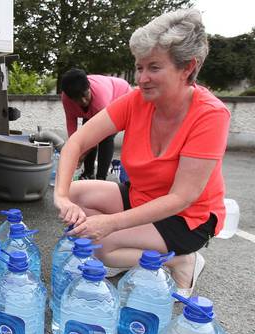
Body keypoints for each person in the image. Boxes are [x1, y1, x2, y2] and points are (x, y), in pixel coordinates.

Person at [53, 8, 230, 297]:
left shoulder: (210, 115)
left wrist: (109, 224)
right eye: (139, 67)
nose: (143, 78)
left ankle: (181, 260)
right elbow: (76, 143)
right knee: (74, 193)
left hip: (187, 217)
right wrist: (60, 196)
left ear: (187, 68)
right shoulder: (136, 100)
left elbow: (181, 198)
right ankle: (134, 248)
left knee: (101, 247)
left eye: (154, 67)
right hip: (142, 196)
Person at [60, 69, 132, 180]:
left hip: (121, 96)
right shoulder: (66, 99)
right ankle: (88, 174)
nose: (83, 101)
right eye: (78, 99)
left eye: (85, 95)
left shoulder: (100, 97)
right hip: (97, 108)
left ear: (89, 87)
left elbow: (98, 134)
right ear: (70, 98)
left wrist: (82, 155)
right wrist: (74, 151)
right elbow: (71, 124)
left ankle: (101, 179)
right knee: (86, 134)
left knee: (106, 138)